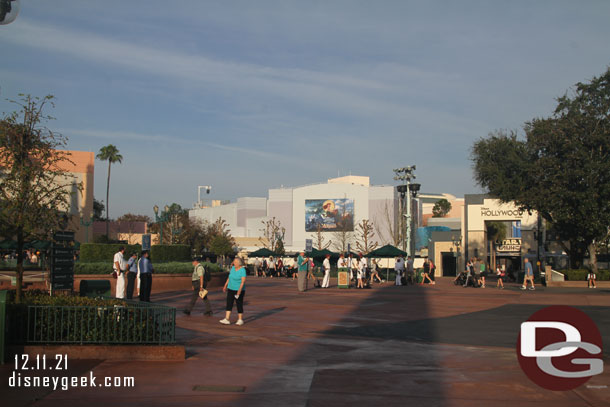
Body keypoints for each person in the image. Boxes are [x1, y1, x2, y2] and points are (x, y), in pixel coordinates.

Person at [220, 257, 247, 325]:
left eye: (235, 262)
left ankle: (240, 319)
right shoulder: (232, 268)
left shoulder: (242, 270)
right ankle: (227, 319)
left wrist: (239, 291)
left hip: (239, 289)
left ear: (239, 263)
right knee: (229, 303)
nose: (233, 263)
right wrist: (225, 285)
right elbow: (229, 277)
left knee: (239, 303)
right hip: (230, 288)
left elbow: (243, 282)